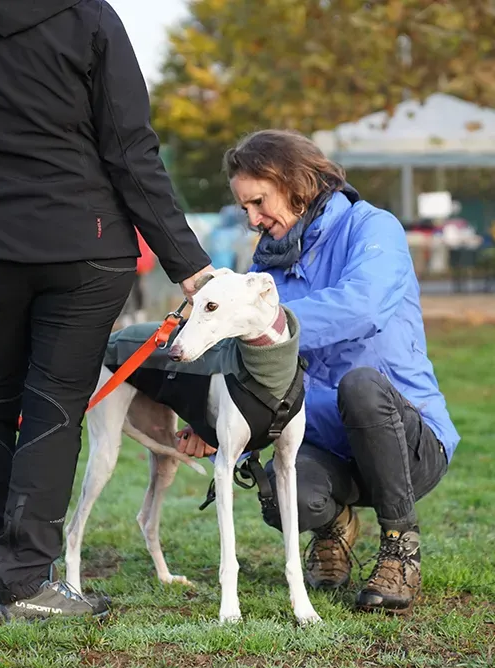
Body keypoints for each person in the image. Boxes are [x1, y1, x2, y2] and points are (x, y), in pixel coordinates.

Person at [0, 0, 214, 621]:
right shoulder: (92, 20)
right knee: (52, 406)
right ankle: (24, 583)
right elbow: (130, 149)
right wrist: (189, 265)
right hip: (84, 249)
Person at [177, 130, 460, 613]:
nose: (252, 220)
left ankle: (399, 548)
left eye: (259, 202)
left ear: (296, 182)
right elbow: (250, 358)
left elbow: (362, 308)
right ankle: (332, 525)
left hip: (408, 441)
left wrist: (268, 323)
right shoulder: (268, 264)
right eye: (245, 209)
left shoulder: (374, 228)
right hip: (326, 441)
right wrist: (207, 420)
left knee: (362, 386)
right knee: (283, 496)